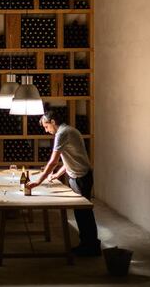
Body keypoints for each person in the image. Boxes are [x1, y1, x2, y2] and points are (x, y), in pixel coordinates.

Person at [27, 110, 101, 257]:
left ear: (53, 122)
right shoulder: (69, 130)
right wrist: (56, 175)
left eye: (46, 126)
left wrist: (38, 181)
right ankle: (89, 244)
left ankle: (90, 247)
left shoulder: (62, 133)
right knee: (81, 212)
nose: (46, 130)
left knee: (83, 212)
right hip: (78, 175)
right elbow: (69, 158)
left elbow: (53, 161)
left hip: (81, 177)